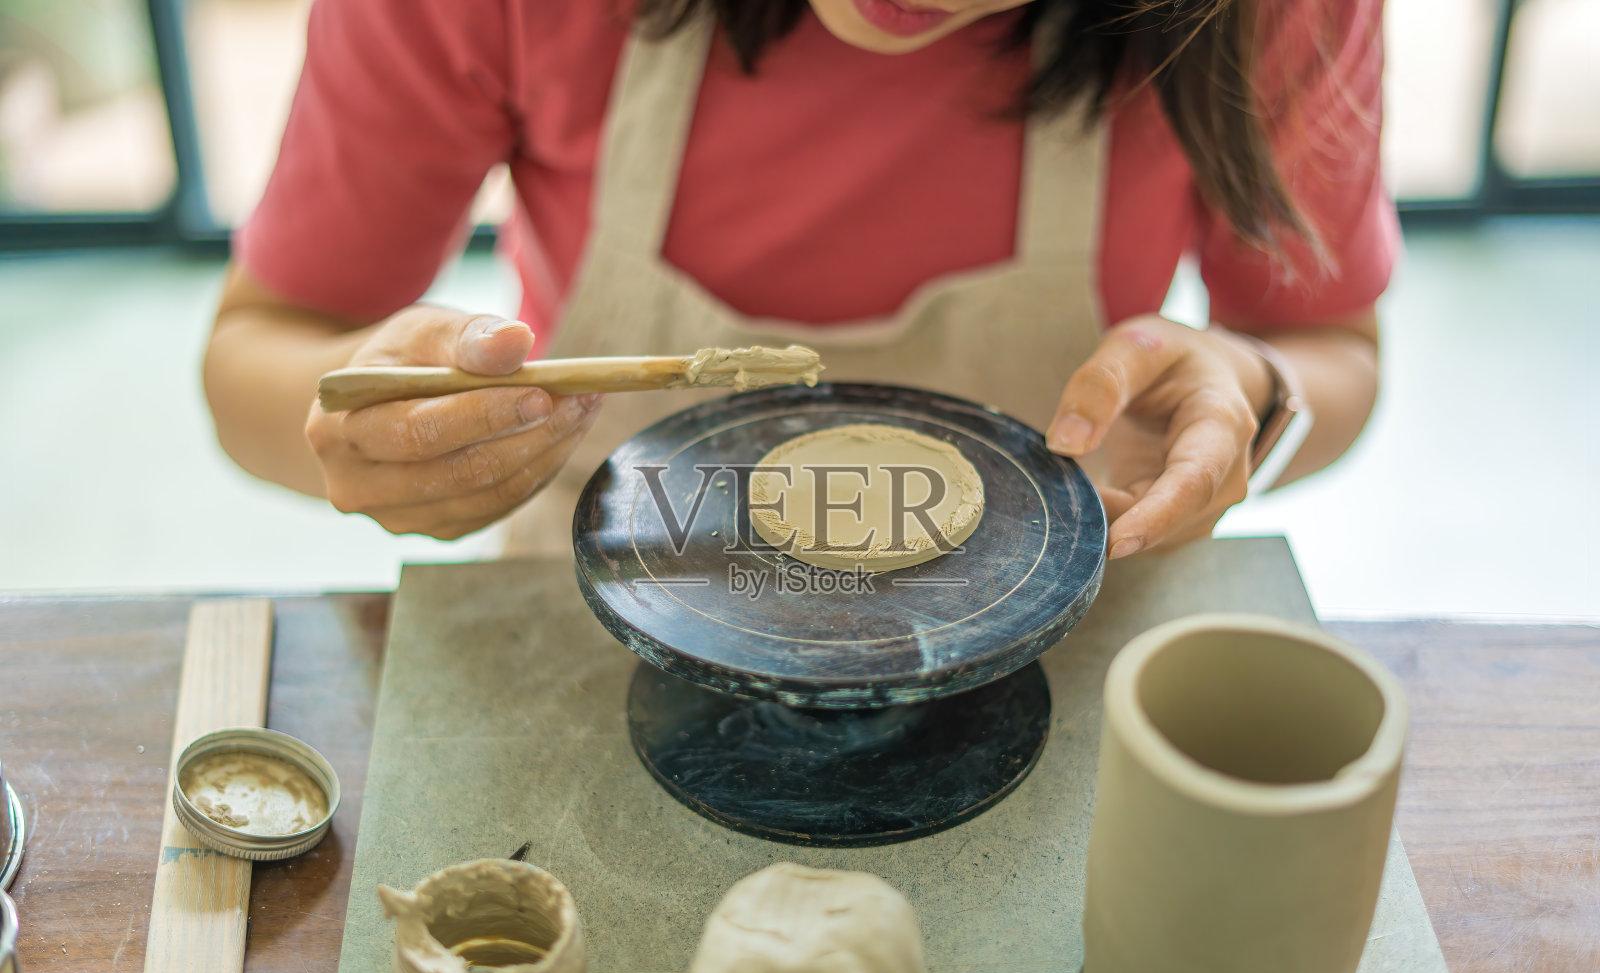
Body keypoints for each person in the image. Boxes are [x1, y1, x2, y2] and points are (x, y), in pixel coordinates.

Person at [202, 0, 1392, 558]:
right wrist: (375, 425)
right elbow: (259, 356)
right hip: (589, 641)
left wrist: (1254, 394)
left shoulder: (1257, 14)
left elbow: (1334, 351)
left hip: (1049, 653)